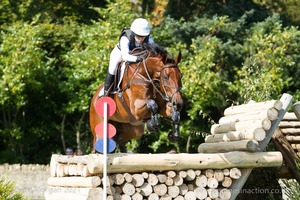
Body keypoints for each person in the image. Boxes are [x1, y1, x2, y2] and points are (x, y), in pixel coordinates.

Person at [101, 18, 155, 96]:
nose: (141, 39)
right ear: (133, 33)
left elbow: (154, 52)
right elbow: (126, 56)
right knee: (112, 68)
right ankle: (106, 93)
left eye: (143, 37)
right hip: (120, 54)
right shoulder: (125, 38)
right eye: (138, 36)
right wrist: (138, 58)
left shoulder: (148, 39)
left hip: (138, 54)